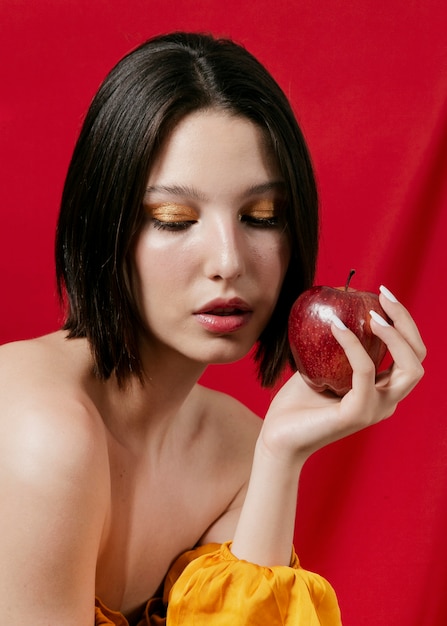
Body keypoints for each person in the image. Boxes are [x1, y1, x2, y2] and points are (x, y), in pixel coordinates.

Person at [0, 32, 425, 625]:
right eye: (174, 220)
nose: (229, 259)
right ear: (105, 227)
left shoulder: (239, 450)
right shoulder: (43, 431)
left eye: (261, 217)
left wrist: (279, 456)